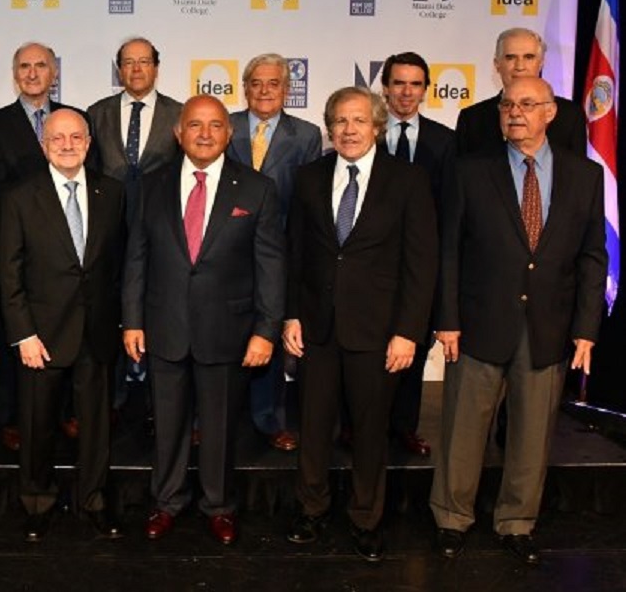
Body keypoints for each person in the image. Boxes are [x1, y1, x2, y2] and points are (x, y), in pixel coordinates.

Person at [430, 76, 606, 565]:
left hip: (548, 326)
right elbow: (448, 253)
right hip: (478, 321)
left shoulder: (584, 176)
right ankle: (451, 517)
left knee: (532, 434)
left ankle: (516, 521)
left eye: (527, 104)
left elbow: (593, 258)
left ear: (550, 112)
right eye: (508, 103)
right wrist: (447, 319)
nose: (514, 112)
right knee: (463, 428)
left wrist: (587, 329)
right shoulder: (470, 171)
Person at [282, 86, 437, 562]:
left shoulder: (407, 180)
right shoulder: (308, 178)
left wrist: (409, 332)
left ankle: (366, 518)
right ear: (329, 129)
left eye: (358, 121)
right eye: (340, 122)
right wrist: (290, 313)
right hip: (317, 329)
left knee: (371, 431)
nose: (349, 130)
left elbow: (421, 263)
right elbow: (295, 253)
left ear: (377, 126)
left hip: (379, 334)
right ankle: (312, 509)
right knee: (312, 427)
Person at [123, 95, 285, 546]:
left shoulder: (256, 188)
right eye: (195, 125)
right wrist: (132, 320)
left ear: (229, 133)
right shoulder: (151, 186)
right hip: (165, 326)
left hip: (228, 331)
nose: (205, 133)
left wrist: (265, 330)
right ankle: (167, 502)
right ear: (179, 133)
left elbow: (271, 267)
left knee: (219, 427)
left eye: (215, 125)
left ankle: (219, 505)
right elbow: (136, 256)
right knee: (169, 424)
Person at [0, 109, 126, 542]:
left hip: (98, 331)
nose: (68, 145)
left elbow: (121, 265)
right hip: (42, 335)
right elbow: (9, 273)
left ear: (89, 143)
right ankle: (37, 502)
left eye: (76, 137)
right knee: (36, 425)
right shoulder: (18, 198)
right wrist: (23, 334)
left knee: (96, 427)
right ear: (43, 144)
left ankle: (93, 501)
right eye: (58, 138)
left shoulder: (114, 193)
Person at [0, 42, 88, 452]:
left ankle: (64, 412)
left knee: (68, 332)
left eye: (41, 65)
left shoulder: (75, 120)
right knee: (17, 331)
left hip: (67, 243)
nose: (32, 72)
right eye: (24, 65)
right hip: (18, 236)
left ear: (53, 72)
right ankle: (13, 418)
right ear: (14, 73)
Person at [226, 53, 323, 452]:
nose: (264, 90)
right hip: (226, 250)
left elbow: (308, 201)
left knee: (270, 330)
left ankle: (270, 419)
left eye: (273, 83)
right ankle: (212, 416)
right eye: (256, 83)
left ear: (287, 89)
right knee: (220, 336)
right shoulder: (223, 126)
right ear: (244, 87)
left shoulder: (307, 134)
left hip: (277, 253)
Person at [376, 52, 455, 457]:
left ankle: (404, 428)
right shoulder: (365, 134)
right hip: (372, 269)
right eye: (398, 83)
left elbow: (449, 211)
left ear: (426, 89)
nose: (406, 92)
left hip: (420, 267)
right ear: (385, 87)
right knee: (369, 355)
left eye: (415, 84)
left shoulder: (445, 141)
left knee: (414, 349)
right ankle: (359, 428)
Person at [87, 36, 182, 219]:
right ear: (120, 71)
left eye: (144, 62)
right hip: (109, 216)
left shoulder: (178, 113)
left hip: (161, 215)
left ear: (155, 69)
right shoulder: (97, 113)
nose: (136, 69)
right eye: (129, 62)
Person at [456, 27, 587, 156]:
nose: (520, 66)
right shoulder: (472, 119)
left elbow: (578, 173)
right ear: (497, 64)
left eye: (528, 57)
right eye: (510, 58)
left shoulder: (570, 116)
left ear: (541, 63)